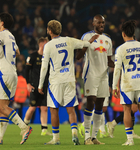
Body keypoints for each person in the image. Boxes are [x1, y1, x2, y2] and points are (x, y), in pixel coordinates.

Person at [38, 20, 98, 145]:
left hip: (56, 81)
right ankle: (74, 134)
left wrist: (40, 85)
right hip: (70, 80)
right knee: (71, 110)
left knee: (54, 110)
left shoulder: (48, 45)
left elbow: (44, 67)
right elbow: (85, 44)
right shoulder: (68, 40)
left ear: (49, 31)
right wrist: (93, 38)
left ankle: (56, 139)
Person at [112, 20, 140, 146]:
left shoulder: (120, 49)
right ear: (134, 33)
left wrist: (114, 86)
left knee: (127, 110)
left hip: (127, 84)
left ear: (123, 34)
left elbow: (117, 69)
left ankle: (130, 140)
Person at [76, 14, 114, 145]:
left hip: (104, 76)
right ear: (93, 23)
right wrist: (89, 42)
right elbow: (78, 56)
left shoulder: (108, 39)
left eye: (103, 23)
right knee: (90, 102)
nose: (101, 25)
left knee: (100, 105)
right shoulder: (86, 36)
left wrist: (120, 66)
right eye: (99, 23)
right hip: (90, 74)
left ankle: (93, 137)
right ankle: (86, 136)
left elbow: (109, 61)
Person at [0, 12, 32, 145]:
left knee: (2, 107)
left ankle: (24, 128)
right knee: (3, 107)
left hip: (4, 73)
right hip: (12, 73)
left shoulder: (1, 35)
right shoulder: (11, 36)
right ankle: (0, 137)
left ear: (2, 22)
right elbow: (18, 52)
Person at [24, 37, 52, 136]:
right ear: (41, 44)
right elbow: (26, 71)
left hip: (45, 86)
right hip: (34, 86)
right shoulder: (32, 56)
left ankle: (44, 129)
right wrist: (28, 83)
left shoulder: (48, 57)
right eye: (46, 44)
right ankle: (24, 127)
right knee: (32, 108)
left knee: (44, 108)